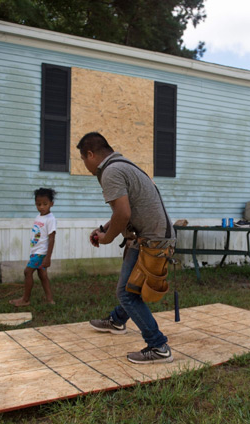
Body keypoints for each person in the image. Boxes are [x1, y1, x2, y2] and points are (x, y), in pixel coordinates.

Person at [77, 132, 175, 364]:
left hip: (152, 240)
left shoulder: (111, 171)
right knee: (130, 288)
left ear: (90, 154)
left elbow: (123, 213)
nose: (84, 165)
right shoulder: (123, 165)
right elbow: (126, 210)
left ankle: (158, 346)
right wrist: (104, 228)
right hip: (149, 236)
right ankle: (117, 321)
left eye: (82, 159)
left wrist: (107, 238)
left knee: (126, 293)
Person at [10, 188, 57, 307]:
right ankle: (50, 300)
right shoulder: (39, 217)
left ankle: (25, 299)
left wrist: (48, 257)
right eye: (38, 204)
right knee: (42, 275)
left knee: (27, 272)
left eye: (45, 204)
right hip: (36, 251)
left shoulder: (50, 219)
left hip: (41, 253)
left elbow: (52, 239)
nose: (41, 207)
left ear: (51, 204)